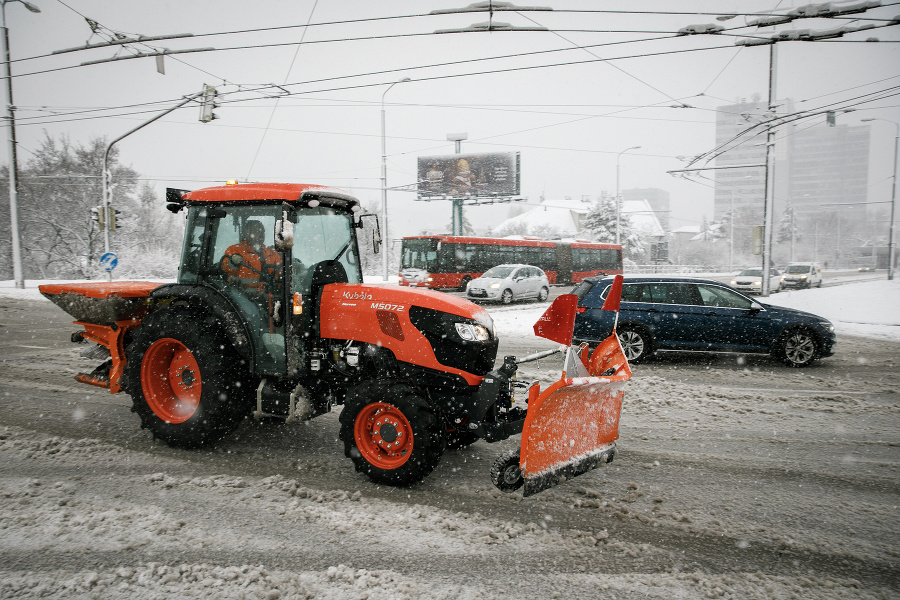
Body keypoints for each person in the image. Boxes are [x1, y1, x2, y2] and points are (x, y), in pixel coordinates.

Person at [221, 220, 282, 293]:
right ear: (247, 233)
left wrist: (289, 268)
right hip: (242, 295)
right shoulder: (235, 250)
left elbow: (280, 268)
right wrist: (232, 262)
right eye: (256, 231)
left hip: (268, 295)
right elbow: (226, 267)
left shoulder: (271, 252)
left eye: (262, 232)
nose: (260, 234)